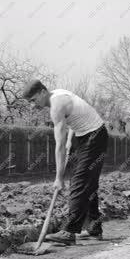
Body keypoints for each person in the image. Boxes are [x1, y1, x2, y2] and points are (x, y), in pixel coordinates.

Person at [22, 80, 108, 244]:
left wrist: (58, 178)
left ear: (42, 92)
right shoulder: (58, 94)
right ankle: (94, 228)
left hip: (94, 136)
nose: (32, 106)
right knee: (87, 184)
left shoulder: (56, 106)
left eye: (33, 100)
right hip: (86, 135)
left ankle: (69, 232)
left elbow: (59, 146)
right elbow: (76, 115)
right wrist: (71, 138)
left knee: (78, 183)